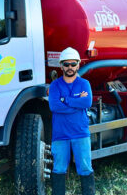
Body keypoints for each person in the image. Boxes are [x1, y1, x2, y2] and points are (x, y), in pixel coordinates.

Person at [49, 47, 95, 195]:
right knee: (58, 169)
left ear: (78, 65)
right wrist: (76, 102)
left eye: (73, 64)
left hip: (80, 134)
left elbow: (87, 102)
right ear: (61, 65)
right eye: (66, 64)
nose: (70, 67)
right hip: (60, 135)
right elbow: (54, 106)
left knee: (85, 168)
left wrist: (66, 100)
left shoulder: (84, 84)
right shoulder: (55, 85)